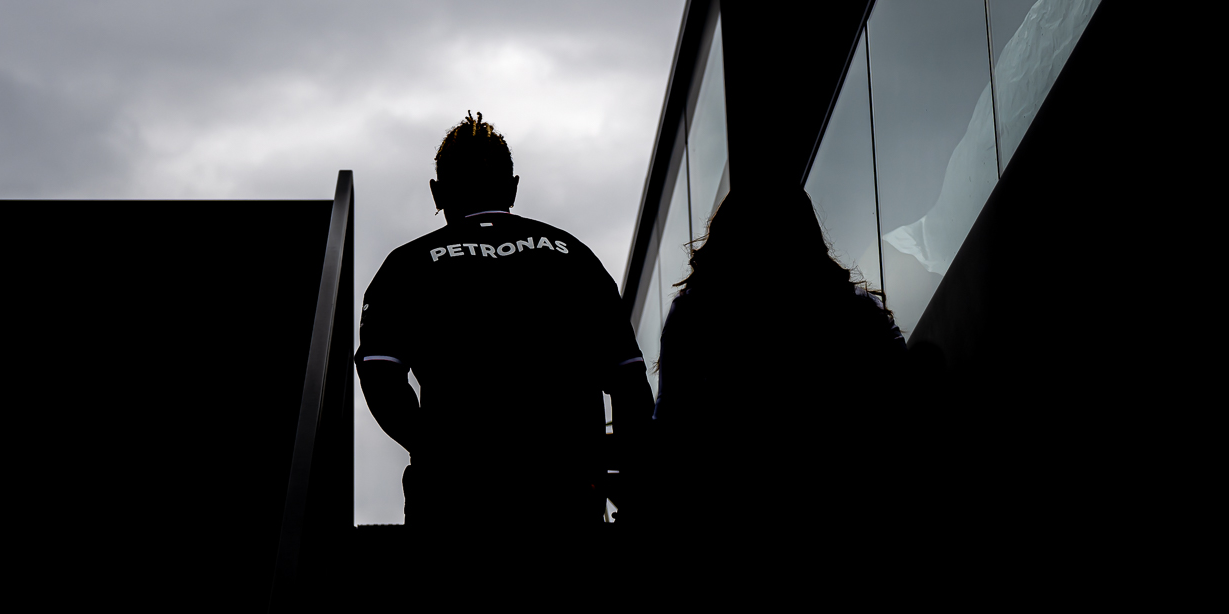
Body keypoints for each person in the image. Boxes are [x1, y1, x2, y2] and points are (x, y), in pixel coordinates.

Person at [355, 111, 653, 536]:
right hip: (564, 500)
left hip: (452, 504)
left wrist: (438, 452)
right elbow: (628, 379)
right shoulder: (576, 257)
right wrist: (635, 487)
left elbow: (380, 376)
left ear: (437, 193)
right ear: (513, 188)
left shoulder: (406, 266)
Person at [643, 187, 907, 539]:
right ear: (807, 234)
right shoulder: (858, 310)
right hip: (853, 507)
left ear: (727, 237)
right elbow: (904, 402)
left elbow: (671, 428)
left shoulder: (696, 312)